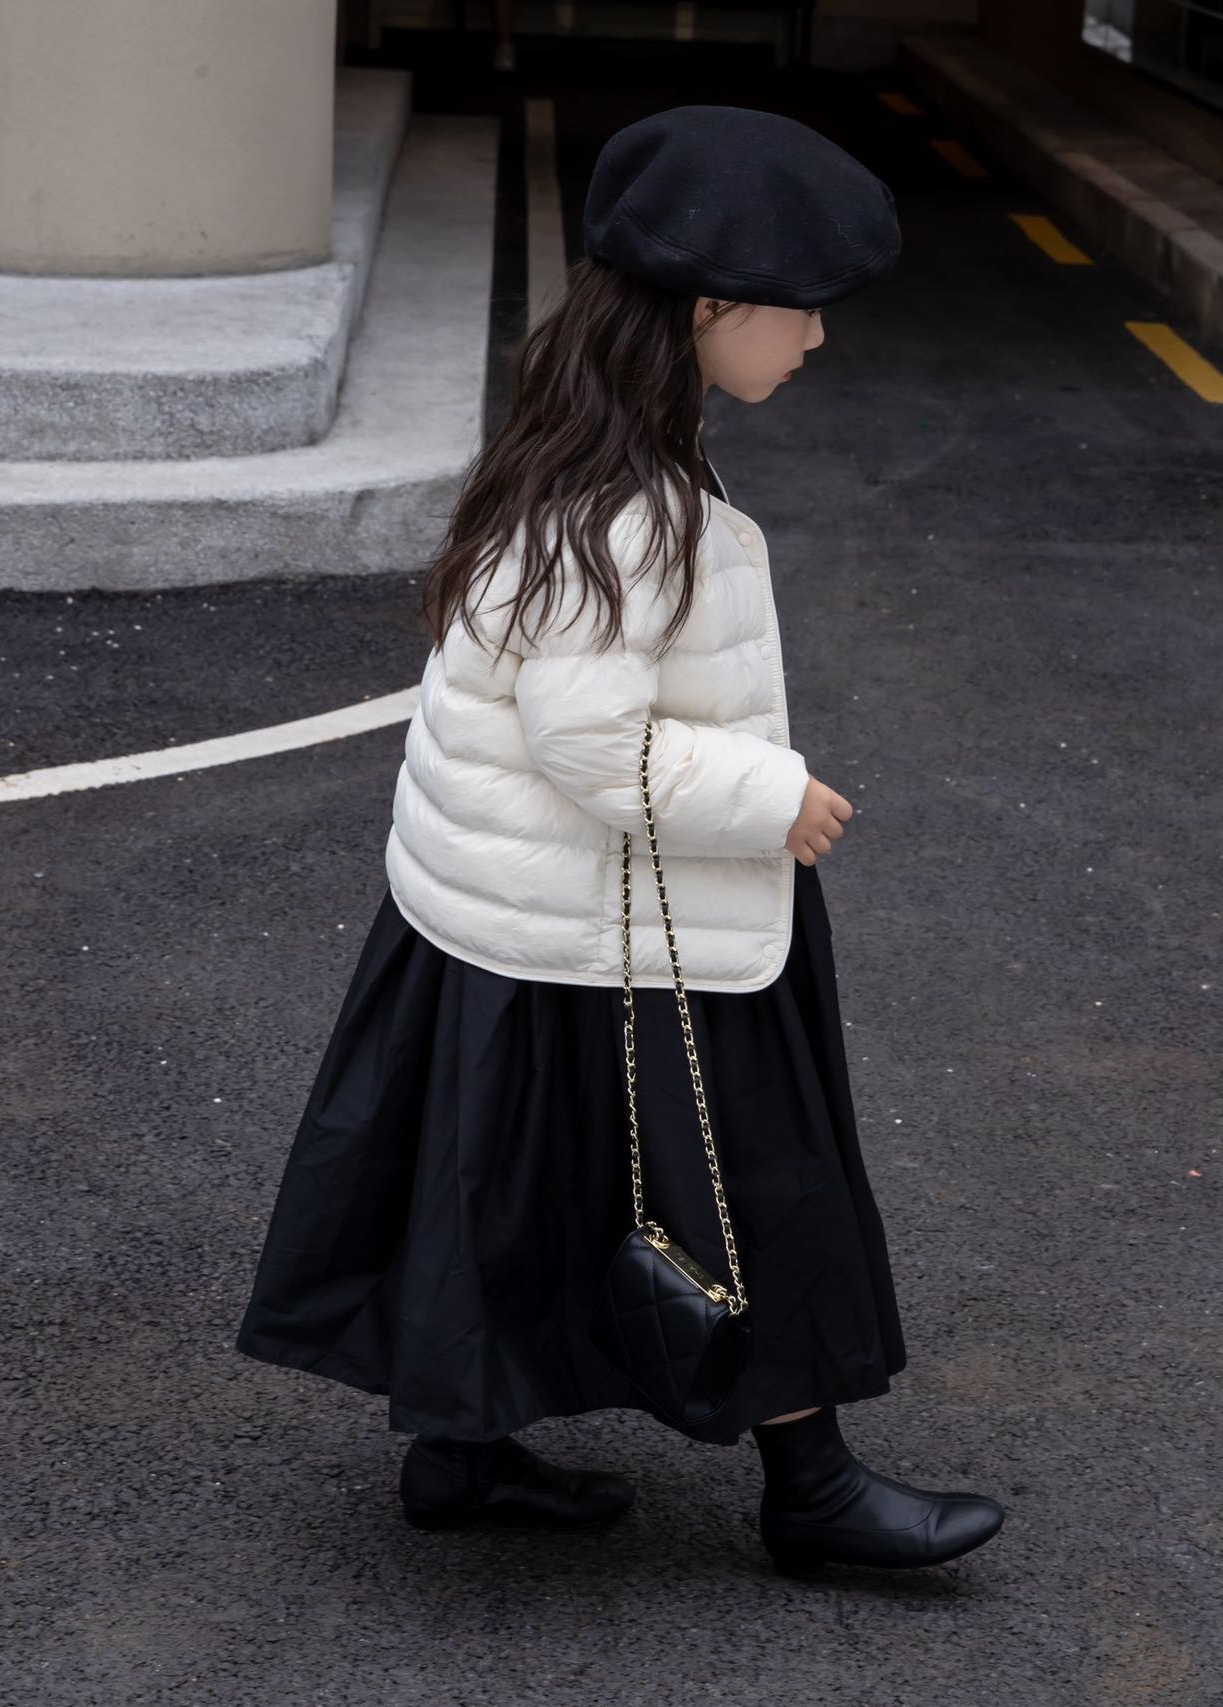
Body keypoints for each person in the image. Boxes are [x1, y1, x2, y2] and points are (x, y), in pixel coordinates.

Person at [234, 104, 1005, 1575]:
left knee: (505, 1177)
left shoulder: (584, 446)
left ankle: (461, 1454)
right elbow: (589, 741)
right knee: (763, 1173)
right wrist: (771, 795)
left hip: (518, 912)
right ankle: (813, 1492)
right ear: (708, 306)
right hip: (616, 907)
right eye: (802, 308)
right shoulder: (627, 504)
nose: (818, 338)